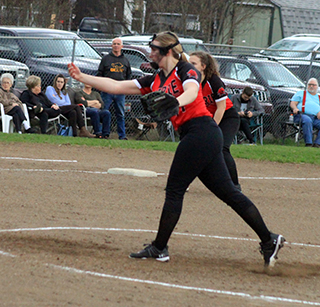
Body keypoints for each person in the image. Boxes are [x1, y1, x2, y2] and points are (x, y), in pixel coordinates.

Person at [68, 31, 285, 267]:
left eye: (154, 48)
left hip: (201, 132)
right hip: (199, 135)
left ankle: (159, 248)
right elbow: (117, 86)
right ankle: (269, 239)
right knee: (229, 194)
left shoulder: (185, 70)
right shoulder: (155, 79)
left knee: (175, 190)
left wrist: (176, 102)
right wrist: (83, 77)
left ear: (168, 51)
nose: (150, 52)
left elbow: (192, 91)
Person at [189, 51, 241, 191]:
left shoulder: (214, 81)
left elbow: (221, 107)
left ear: (203, 66)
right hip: (208, 119)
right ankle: (182, 183)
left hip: (227, 117)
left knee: (222, 148)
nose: (190, 66)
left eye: (193, 63)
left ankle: (235, 186)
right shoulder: (190, 82)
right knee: (193, 149)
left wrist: (211, 128)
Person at [97, 37, 132, 140]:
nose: (116, 46)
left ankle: (122, 135)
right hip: (107, 90)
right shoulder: (106, 59)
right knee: (104, 112)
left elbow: (128, 76)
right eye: (114, 44)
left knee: (120, 114)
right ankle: (103, 133)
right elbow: (100, 74)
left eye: (118, 44)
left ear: (122, 46)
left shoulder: (125, 60)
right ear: (111, 46)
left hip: (120, 91)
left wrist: (125, 88)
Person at [290, 78, 320, 147]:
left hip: (315, 118)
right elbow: (293, 103)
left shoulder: (319, 97)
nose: (311, 86)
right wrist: (295, 108)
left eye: (313, 85)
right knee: (307, 120)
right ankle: (308, 143)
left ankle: (317, 143)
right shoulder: (301, 93)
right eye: (309, 84)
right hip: (301, 115)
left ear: (317, 87)